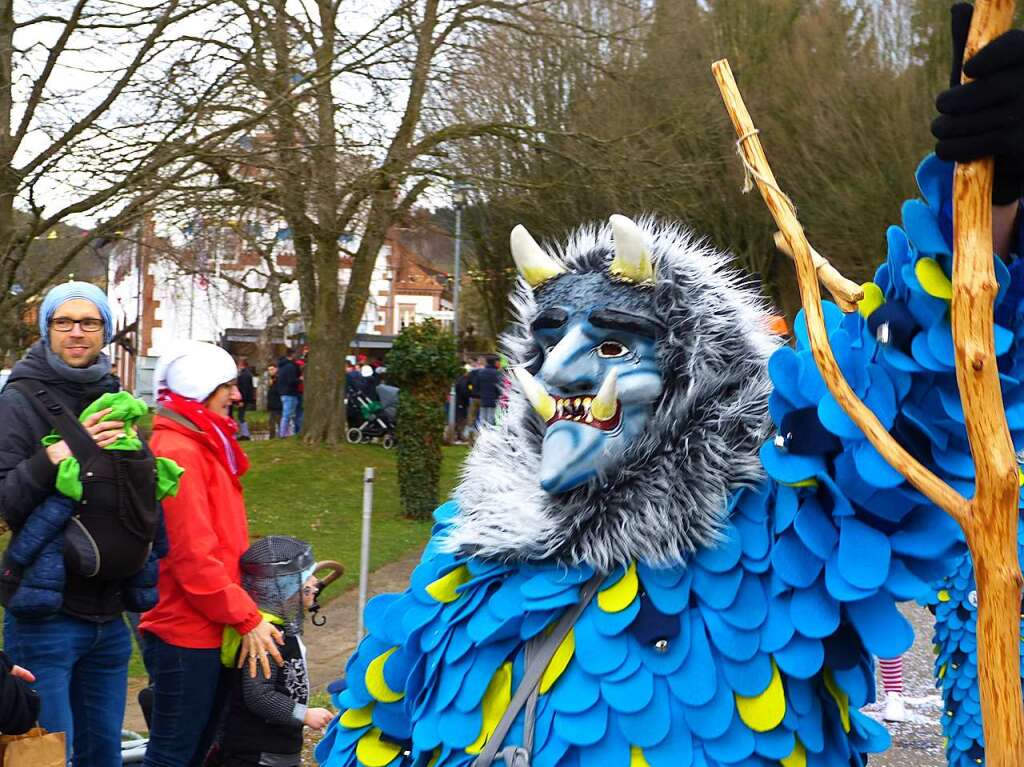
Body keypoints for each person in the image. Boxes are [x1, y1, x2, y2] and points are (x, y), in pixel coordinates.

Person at [316, 13, 1022, 766]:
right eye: (548, 339)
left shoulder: (777, 529)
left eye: (614, 342)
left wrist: (985, 200)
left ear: (692, 369)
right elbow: (375, 726)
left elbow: (909, 397)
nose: (562, 368)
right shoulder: (465, 551)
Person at [0, 281, 157, 764]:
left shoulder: (115, 395)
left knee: (103, 756)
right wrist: (58, 454)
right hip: (46, 615)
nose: (76, 332)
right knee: (45, 758)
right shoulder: (19, 399)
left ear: (105, 332)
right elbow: (6, 498)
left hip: (109, 615)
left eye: (89, 323)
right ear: (47, 330)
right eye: (63, 322)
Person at [140, 341, 285, 767]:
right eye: (228, 386)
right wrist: (245, 616)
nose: (237, 396)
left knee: (198, 751)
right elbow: (191, 557)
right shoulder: (179, 450)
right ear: (199, 388)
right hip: (185, 631)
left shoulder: (202, 444)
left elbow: (224, 542)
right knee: (173, 755)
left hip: (209, 627)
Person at [218, 536, 333, 767]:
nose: (317, 583)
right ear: (288, 588)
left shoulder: (281, 631)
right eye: (308, 577)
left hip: (277, 748)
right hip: (257, 753)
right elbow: (259, 695)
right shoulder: (266, 639)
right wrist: (305, 714)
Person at [276, 349, 301, 438]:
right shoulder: (290, 367)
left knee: (287, 414)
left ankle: (284, 432)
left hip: (284, 392)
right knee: (288, 414)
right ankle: (283, 433)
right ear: (292, 355)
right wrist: (300, 379)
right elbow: (291, 380)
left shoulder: (282, 366)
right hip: (290, 393)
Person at [474, 354, 503, 428]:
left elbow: (476, 385)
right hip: (494, 400)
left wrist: (479, 394)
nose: (500, 363)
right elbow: (500, 388)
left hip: (483, 400)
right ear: (495, 362)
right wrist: (499, 395)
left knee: (482, 420)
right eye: (498, 361)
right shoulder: (497, 373)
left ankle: (482, 437)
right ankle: (490, 437)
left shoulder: (480, 372)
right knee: (491, 420)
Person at [235, 358, 256, 441]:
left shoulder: (244, 375)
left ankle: (245, 433)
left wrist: (241, 400)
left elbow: (244, 388)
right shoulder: (248, 374)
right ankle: (244, 433)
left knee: (241, 416)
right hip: (246, 398)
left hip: (243, 398)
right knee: (241, 415)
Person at [266, 363, 282, 439]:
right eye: (269, 370)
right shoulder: (271, 379)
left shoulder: (278, 379)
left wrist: (273, 384)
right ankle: (272, 437)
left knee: (279, 421)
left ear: (276, 369)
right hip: (272, 405)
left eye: (272, 369)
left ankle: (281, 436)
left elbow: (279, 390)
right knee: (271, 422)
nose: (270, 371)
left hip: (278, 404)